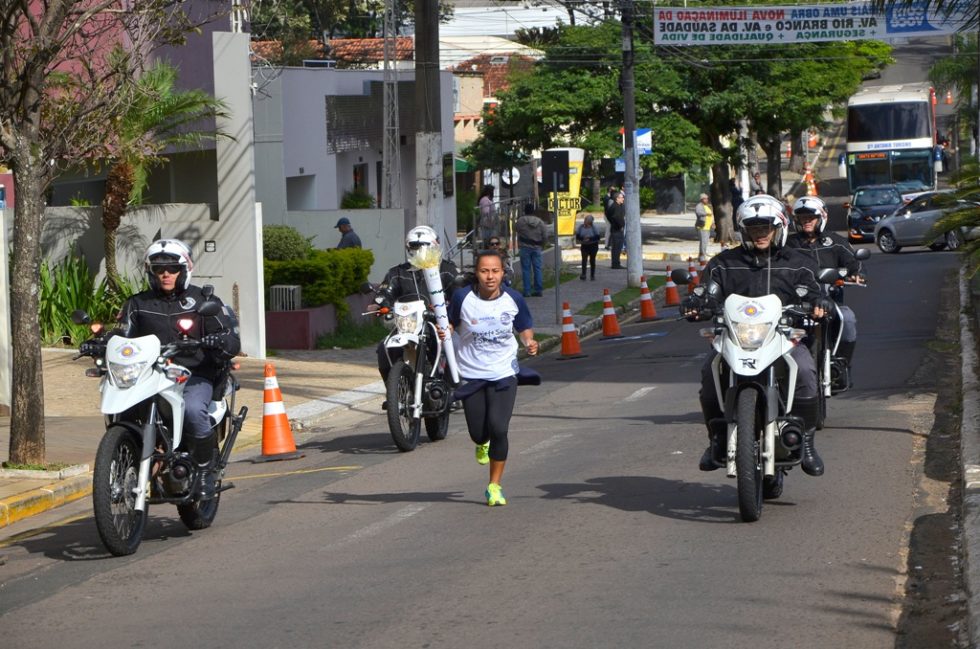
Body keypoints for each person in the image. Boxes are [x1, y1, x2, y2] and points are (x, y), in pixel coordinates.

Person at [681, 195, 829, 477]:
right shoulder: (724, 263)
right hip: (736, 339)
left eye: (766, 228)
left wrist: (820, 304)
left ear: (779, 229)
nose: (760, 234)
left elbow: (815, 292)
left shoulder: (799, 263)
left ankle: (807, 443)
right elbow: (706, 291)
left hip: (782, 338)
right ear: (744, 231)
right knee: (709, 372)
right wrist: (696, 303)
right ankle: (716, 440)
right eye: (753, 229)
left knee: (807, 371)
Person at [81, 239, 241, 499]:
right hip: (150, 374)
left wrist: (219, 340)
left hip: (193, 373)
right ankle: (128, 456)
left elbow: (231, 338)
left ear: (184, 270)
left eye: (172, 268)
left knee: (191, 410)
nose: (166, 274)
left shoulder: (203, 300)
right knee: (124, 409)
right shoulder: (137, 303)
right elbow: (122, 335)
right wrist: (100, 343)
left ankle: (203, 472)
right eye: (159, 269)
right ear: (151, 272)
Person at [444, 250, 539, 506]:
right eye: (484, 271)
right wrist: (445, 331)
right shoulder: (462, 297)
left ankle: (494, 486)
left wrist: (529, 341)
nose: (490, 276)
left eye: (495, 271)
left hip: (503, 373)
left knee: (499, 428)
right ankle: (481, 442)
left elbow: (524, 326)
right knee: (479, 433)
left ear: (502, 273)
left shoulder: (513, 299)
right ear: (476, 273)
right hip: (472, 374)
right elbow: (450, 323)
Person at [786, 195, 864, 382]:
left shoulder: (835, 241)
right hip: (796, 303)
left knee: (848, 319)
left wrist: (858, 274)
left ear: (821, 218)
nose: (806, 222)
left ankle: (841, 364)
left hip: (831, 300)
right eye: (802, 218)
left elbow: (854, 262)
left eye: (810, 218)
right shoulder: (787, 245)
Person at [370, 225, 459, 383]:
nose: (418, 251)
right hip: (408, 325)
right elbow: (386, 291)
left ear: (435, 246)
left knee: (456, 345)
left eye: (423, 246)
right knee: (384, 349)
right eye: (414, 246)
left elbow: (460, 295)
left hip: (439, 325)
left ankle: (454, 387)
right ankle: (395, 392)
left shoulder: (447, 270)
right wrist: (380, 304)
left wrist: (452, 320)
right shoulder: (397, 272)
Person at [515, 202, 547, 297]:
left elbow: (515, 229)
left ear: (525, 211)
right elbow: (545, 236)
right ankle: (538, 289)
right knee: (537, 269)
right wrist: (542, 245)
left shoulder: (521, 221)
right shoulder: (540, 222)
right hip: (537, 248)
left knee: (526, 269)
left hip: (524, 247)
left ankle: (527, 290)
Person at [574, 214, 602, 280]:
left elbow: (597, 237)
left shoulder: (594, 228)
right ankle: (583, 274)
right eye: (585, 220)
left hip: (593, 246)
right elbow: (577, 236)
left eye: (586, 220)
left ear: (590, 222)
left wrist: (590, 238)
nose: (585, 221)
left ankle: (592, 275)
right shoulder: (581, 227)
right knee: (584, 260)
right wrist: (583, 238)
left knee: (592, 260)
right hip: (584, 246)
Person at [606, 191, 626, 268]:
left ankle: (615, 263)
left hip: (614, 228)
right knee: (617, 248)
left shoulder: (614, 206)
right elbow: (617, 217)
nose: (623, 199)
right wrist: (621, 225)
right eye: (621, 198)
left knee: (616, 248)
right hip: (617, 230)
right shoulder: (616, 207)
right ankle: (615, 264)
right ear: (617, 198)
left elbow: (608, 214)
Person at [694, 193, 713, 259]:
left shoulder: (707, 206)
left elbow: (710, 215)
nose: (707, 200)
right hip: (702, 227)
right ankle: (702, 255)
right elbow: (698, 212)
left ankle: (703, 254)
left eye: (707, 198)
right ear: (702, 199)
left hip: (707, 227)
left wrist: (713, 223)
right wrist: (706, 213)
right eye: (705, 199)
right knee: (703, 242)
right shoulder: (699, 206)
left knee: (705, 242)